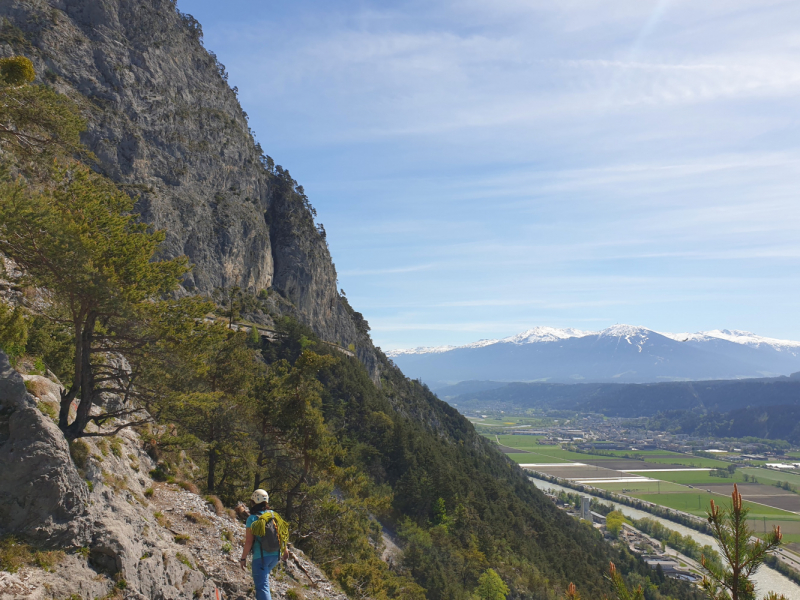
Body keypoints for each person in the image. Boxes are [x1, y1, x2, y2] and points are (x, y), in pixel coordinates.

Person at [239, 489, 289, 600]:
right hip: (275, 556)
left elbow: (249, 541)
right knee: (263, 582)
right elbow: (281, 534)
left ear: (254, 501)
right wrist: (285, 550)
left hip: (260, 558)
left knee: (262, 587)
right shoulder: (273, 516)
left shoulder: (252, 518)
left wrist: (243, 558)